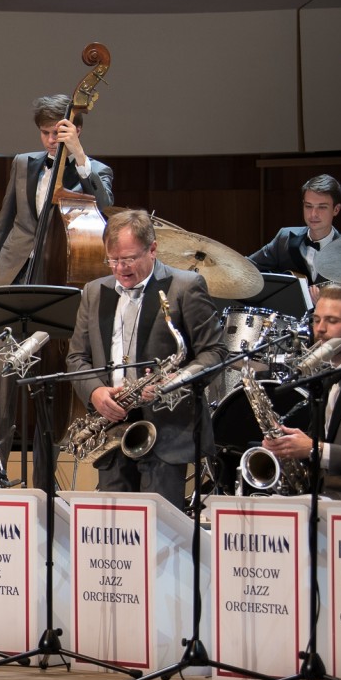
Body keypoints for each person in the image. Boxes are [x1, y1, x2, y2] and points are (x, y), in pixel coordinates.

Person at [0, 94, 115, 488]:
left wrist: (79, 155)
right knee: (1, 377)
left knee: (49, 386)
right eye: (45, 132)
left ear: (75, 130)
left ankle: (44, 480)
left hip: (59, 286)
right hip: (13, 279)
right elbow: (4, 226)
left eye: (59, 132)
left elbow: (106, 208)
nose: (51, 139)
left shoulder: (95, 169)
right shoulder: (23, 164)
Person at [66, 210, 228, 509]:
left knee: (160, 534)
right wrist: (95, 392)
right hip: (111, 432)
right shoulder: (93, 291)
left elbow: (215, 353)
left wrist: (172, 383)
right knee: (117, 540)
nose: (120, 268)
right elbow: (77, 357)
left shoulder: (186, 286)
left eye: (128, 259)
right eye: (112, 260)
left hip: (166, 431)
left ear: (152, 249)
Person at [261, 284, 341, 500]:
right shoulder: (328, 372)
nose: (319, 329)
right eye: (317, 319)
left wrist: (315, 450)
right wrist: (290, 443)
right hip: (321, 499)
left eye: (332, 321)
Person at [247, 174, 341, 286]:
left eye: (322, 207)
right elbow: (247, 266)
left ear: (336, 209)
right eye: (308, 206)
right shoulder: (285, 238)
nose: (313, 214)